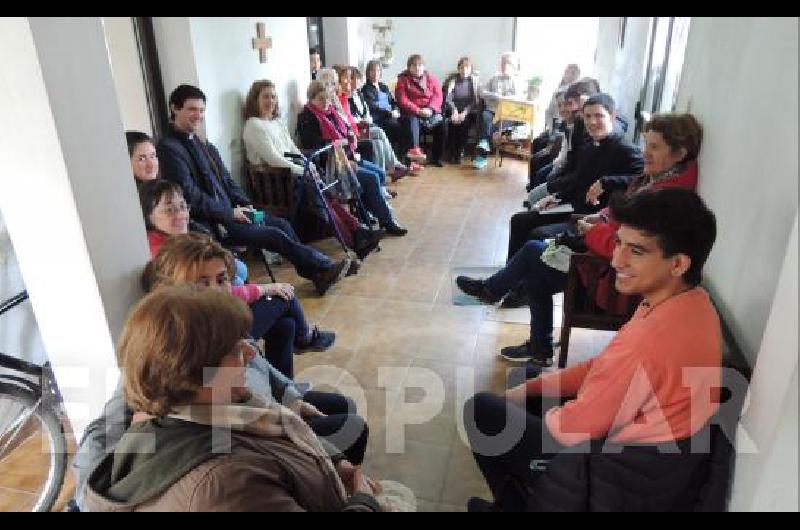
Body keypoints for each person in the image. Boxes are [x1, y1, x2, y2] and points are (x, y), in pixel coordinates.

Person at [464, 187, 721, 512]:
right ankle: (516, 500)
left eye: (637, 252)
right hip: (653, 457)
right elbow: (601, 366)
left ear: (678, 264)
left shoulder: (653, 338)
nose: (617, 260)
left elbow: (574, 428)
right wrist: (531, 389)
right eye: (618, 244)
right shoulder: (687, 301)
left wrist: (536, 407)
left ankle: (518, 503)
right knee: (525, 383)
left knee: (483, 413)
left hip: (621, 473)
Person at [81, 286, 382, 511]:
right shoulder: (222, 484)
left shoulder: (216, 405)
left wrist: (333, 461)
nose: (250, 352)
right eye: (233, 350)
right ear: (188, 372)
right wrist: (364, 503)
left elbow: (281, 434)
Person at [456, 112, 701, 366]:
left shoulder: (667, 201)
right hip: (603, 266)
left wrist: (591, 230)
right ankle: (534, 342)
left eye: (654, 147)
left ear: (679, 153)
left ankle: (495, 295)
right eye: (646, 144)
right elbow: (621, 215)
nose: (645, 153)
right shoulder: (658, 182)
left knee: (532, 253)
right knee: (533, 269)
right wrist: (599, 217)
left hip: (613, 281)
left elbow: (627, 248)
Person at [157, 84, 351, 296]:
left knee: (282, 224)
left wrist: (245, 205)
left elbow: (228, 182)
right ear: (174, 109)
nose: (198, 115)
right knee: (274, 235)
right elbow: (190, 195)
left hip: (235, 212)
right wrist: (230, 213)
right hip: (215, 223)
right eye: (191, 110)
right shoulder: (169, 149)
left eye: (201, 110)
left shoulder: (204, 145)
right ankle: (321, 268)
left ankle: (317, 272)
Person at [242, 79, 382, 259]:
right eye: (265, 97)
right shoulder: (253, 125)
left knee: (326, 194)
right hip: (277, 183)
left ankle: (357, 232)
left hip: (292, 174)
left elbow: (292, 149)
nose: (271, 101)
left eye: (273, 97)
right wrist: (302, 170)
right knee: (321, 196)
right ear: (255, 100)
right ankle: (355, 238)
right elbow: (274, 159)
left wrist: (309, 165)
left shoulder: (276, 122)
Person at [297, 79, 408, 236]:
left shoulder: (331, 113)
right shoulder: (307, 117)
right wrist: (337, 143)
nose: (326, 102)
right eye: (321, 99)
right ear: (311, 99)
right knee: (371, 178)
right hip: (331, 166)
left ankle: (367, 213)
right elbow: (313, 144)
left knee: (380, 173)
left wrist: (349, 135)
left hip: (348, 158)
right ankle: (387, 220)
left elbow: (345, 130)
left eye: (327, 98)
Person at [347, 66, 411, 180]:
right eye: (352, 79)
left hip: (367, 124)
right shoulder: (358, 93)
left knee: (381, 142)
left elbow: (368, 110)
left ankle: (383, 177)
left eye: (358, 79)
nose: (356, 81)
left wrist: (395, 110)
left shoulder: (364, 93)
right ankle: (394, 166)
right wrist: (388, 113)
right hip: (363, 126)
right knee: (382, 131)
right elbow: (360, 112)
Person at [361, 59, 421, 171]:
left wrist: (396, 109)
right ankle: (403, 163)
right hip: (380, 118)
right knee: (400, 129)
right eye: (373, 70)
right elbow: (373, 106)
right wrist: (390, 113)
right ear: (368, 73)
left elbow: (392, 102)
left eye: (378, 70)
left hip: (392, 115)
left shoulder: (383, 86)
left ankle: (413, 152)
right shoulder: (366, 89)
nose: (376, 73)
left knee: (411, 120)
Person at [395, 54, 447, 167]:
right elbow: (402, 99)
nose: (417, 68)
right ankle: (414, 158)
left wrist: (431, 109)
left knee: (443, 125)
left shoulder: (431, 78)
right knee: (412, 122)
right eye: (414, 65)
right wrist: (418, 110)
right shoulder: (403, 80)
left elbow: (438, 96)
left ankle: (436, 158)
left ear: (424, 67)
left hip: (430, 112)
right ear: (409, 67)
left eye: (420, 65)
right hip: (412, 113)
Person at [473, 52, 522, 170]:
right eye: (503, 63)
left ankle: (482, 152)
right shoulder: (494, 78)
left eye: (508, 63)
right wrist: (495, 95)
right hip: (492, 110)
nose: (505, 65)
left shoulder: (517, 81)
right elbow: (482, 92)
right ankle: (484, 147)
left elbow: (518, 98)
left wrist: (503, 98)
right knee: (485, 117)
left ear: (514, 66)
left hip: (508, 114)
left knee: (492, 126)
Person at [442, 56, 481, 165]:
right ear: (458, 69)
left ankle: (459, 151)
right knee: (452, 123)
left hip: (468, 111)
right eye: (462, 68)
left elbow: (474, 101)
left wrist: (464, 112)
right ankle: (451, 151)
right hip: (453, 108)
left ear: (470, 69)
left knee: (464, 123)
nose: (464, 71)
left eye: (467, 68)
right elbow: (448, 97)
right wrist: (454, 110)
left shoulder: (474, 81)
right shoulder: (452, 80)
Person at [543, 63, 581, 131]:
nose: (569, 75)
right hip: (557, 126)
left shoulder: (580, 95)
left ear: (578, 76)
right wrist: (552, 129)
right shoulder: (557, 92)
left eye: (573, 73)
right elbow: (548, 112)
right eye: (567, 72)